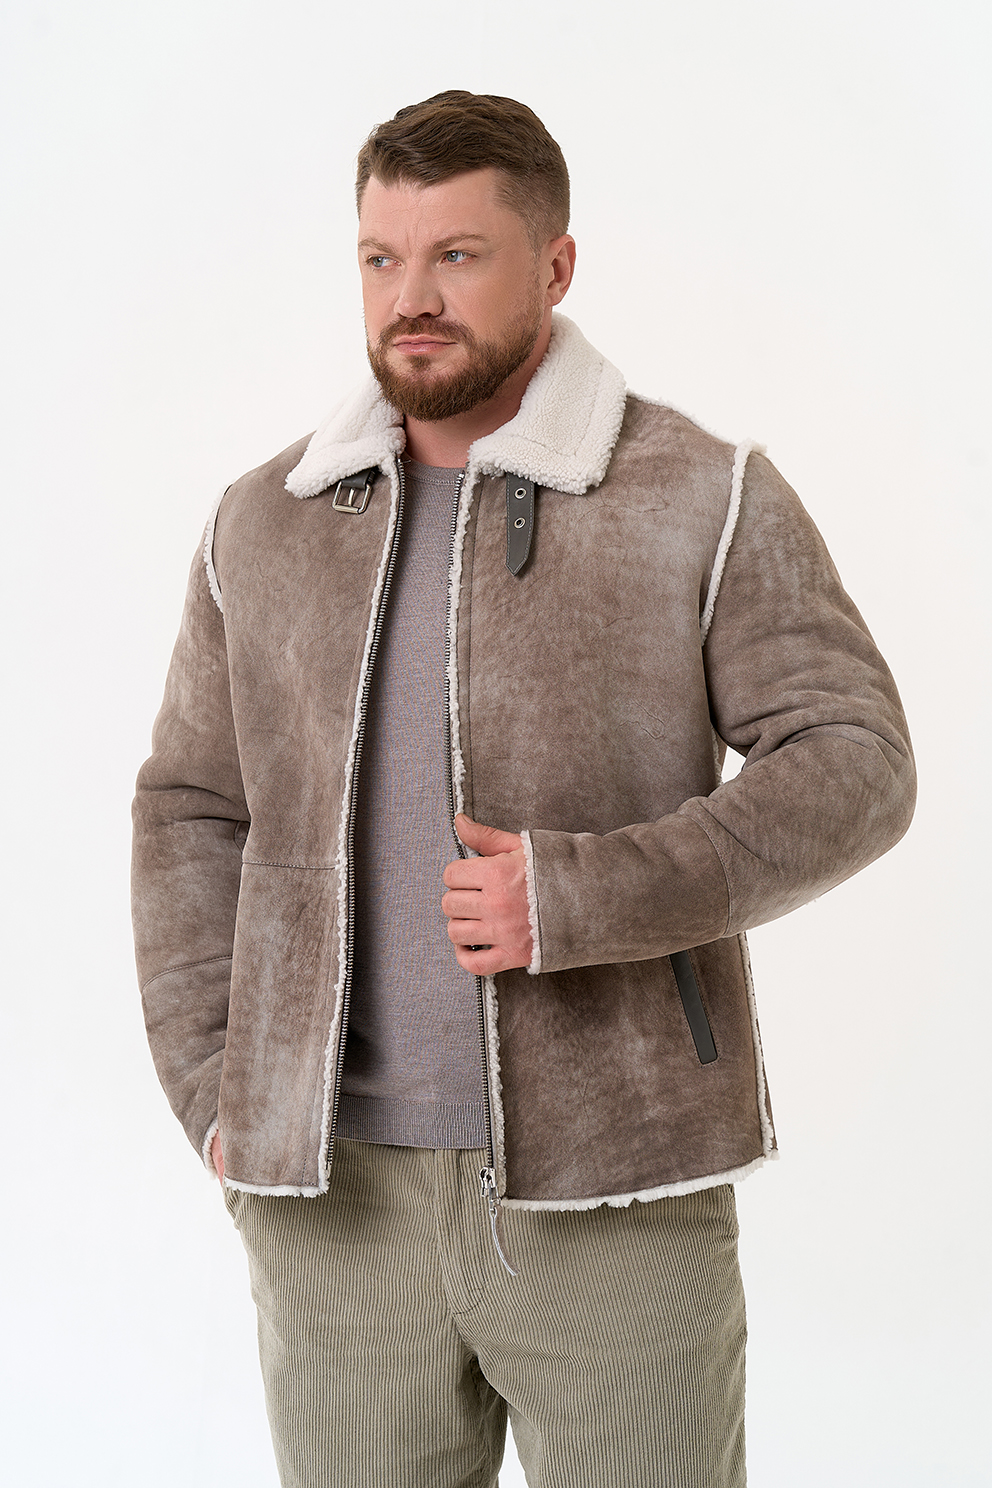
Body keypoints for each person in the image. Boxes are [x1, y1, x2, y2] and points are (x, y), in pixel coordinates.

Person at [131, 92, 915, 1488]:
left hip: (616, 1186)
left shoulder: (700, 494)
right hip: (333, 1200)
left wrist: (579, 897)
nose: (411, 299)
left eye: (457, 255)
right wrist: (215, 1085)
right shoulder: (264, 521)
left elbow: (854, 762)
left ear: (554, 266)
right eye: (381, 258)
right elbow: (192, 808)